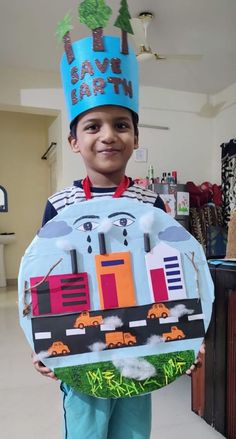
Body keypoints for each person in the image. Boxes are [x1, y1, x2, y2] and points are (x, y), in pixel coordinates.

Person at [33, 103, 166, 439]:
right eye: (93, 127)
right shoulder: (61, 203)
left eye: (121, 125)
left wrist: (189, 334)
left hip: (138, 339)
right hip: (82, 342)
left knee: (134, 428)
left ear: (135, 138)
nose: (108, 135)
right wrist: (43, 339)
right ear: (74, 141)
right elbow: (48, 275)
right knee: (85, 428)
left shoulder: (151, 204)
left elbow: (167, 270)